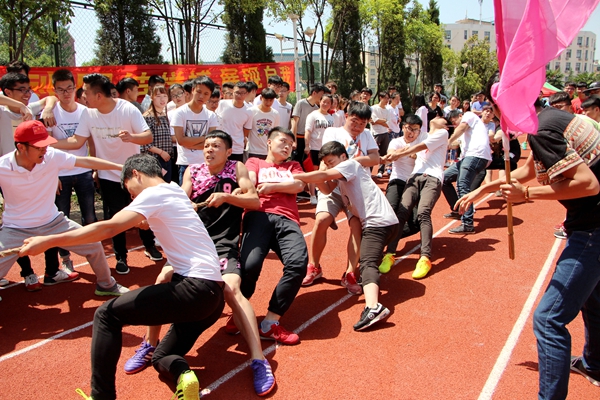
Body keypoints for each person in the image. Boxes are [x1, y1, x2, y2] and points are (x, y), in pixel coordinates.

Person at [21, 154, 224, 400]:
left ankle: (101, 396)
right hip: (213, 297)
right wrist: (145, 221)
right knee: (160, 357)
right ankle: (184, 375)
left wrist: (48, 241)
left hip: (194, 288)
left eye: (129, 189)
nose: (131, 197)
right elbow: (166, 219)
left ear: (136, 174)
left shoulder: (153, 194)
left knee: (106, 315)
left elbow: (107, 228)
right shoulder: (174, 190)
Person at [456, 71, 600, 400]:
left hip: (593, 227)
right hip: (592, 223)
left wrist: (526, 195)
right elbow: (530, 171)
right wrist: (484, 189)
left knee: (548, 319)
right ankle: (594, 364)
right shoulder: (551, 117)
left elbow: (588, 184)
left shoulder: (543, 129)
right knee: (593, 299)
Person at [125, 132, 275, 396]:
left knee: (231, 289)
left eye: (216, 146)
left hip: (223, 245)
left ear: (229, 151)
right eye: (206, 146)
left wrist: (227, 198)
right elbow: (180, 199)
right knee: (163, 278)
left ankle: (258, 360)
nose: (209, 150)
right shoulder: (192, 171)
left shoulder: (236, 168)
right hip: (193, 244)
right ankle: (150, 344)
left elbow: (254, 201)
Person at [0, 120, 128, 296]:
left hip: (54, 222)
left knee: (94, 244)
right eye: (39, 147)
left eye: (46, 145)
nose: (44, 150)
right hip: (15, 228)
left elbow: (86, 162)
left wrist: (121, 167)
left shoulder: (51, 156)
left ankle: (107, 285)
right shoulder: (3, 167)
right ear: (21, 147)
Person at [294, 140, 399, 331]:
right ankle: (371, 302)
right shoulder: (343, 178)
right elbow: (326, 188)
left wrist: (294, 174)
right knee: (368, 260)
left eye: (331, 160)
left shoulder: (350, 165)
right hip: (382, 223)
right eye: (325, 161)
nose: (329, 165)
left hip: (378, 222)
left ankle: (373, 307)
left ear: (343, 156)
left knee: (367, 263)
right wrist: (319, 173)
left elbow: (325, 174)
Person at [72, 73, 161, 274]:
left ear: (98, 96)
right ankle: (121, 256)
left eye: (86, 91)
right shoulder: (88, 114)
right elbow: (77, 141)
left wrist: (132, 137)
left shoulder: (127, 109)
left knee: (143, 211)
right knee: (116, 217)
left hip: (134, 175)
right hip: (108, 175)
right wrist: (46, 145)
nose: (83, 95)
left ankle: (149, 245)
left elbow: (147, 137)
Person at [301, 101, 379, 294]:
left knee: (356, 227)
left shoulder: (368, 135)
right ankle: (314, 266)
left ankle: (350, 272)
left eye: (362, 123)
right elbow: (325, 162)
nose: (357, 127)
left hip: (357, 189)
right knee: (321, 220)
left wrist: (351, 164)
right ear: (346, 116)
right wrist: (322, 175)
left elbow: (376, 159)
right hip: (334, 186)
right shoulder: (333, 133)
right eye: (354, 121)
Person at [240, 127, 308, 345]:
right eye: (283, 141)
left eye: (291, 143)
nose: (288, 145)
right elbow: (249, 180)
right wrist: (251, 187)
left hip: (287, 219)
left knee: (298, 265)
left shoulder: (294, 166)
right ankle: (239, 313)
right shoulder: (255, 163)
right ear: (268, 142)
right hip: (258, 215)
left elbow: (299, 184)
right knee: (249, 266)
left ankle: (270, 323)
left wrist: (271, 187)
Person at [380, 116, 449, 279]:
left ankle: (425, 258)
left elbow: (418, 147)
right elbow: (404, 150)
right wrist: (392, 155)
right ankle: (389, 253)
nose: (438, 117)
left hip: (432, 177)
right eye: (409, 128)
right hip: (414, 177)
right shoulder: (422, 135)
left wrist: (401, 153)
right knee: (401, 213)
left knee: (423, 213)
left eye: (443, 119)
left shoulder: (441, 133)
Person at [46, 69, 97, 274]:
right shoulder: (50, 112)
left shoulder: (85, 111)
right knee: (62, 217)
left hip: (84, 171)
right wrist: (53, 173)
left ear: (75, 87)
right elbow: (46, 146)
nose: (66, 93)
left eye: (69, 88)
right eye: (61, 89)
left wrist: (94, 167)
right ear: (54, 91)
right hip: (61, 174)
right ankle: (65, 257)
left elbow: (91, 140)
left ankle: (93, 253)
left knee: (90, 216)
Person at [441, 108, 492, 234]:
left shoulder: (468, 115)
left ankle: (467, 223)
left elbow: (460, 129)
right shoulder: (465, 134)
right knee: (443, 178)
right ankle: (459, 210)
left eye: (455, 121)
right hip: (466, 158)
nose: (455, 125)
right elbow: (454, 145)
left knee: (462, 184)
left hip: (476, 155)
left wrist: (449, 141)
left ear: (460, 116)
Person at [170, 76, 219, 183]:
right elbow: (181, 141)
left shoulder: (211, 116)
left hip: (206, 163)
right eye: (199, 92)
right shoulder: (180, 113)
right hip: (186, 163)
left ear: (210, 95)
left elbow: (210, 143)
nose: (201, 96)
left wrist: (190, 143)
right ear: (192, 90)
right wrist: (204, 139)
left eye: (206, 94)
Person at [305, 93, 334, 203]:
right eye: (324, 101)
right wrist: (307, 145)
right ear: (320, 102)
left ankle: (323, 192)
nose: (325, 104)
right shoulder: (313, 115)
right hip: (314, 147)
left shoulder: (331, 118)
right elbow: (308, 131)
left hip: (327, 148)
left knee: (326, 171)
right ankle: (312, 195)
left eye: (328, 103)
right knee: (314, 171)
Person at [142, 85, 175, 183]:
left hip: (166, 158)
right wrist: (161, 152)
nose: (162, 99)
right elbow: (144, 143)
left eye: (164, 96)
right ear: (152, 97)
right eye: (158, 96)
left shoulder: (165, 115)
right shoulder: (147, 117)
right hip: (153, 159)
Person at [215, 81, 253, 162]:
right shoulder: (222, 104)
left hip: (237, 148)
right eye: (237, 93)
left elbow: (246, 131)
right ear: (233, 92)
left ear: (247, 94)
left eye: (243, 93)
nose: (240, 95)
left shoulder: (249, 110)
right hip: (220, 145)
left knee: (235, 172)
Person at [291, 83, 326, 167]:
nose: (322, 97)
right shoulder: (301, 103)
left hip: (309, 140)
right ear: (314, 93)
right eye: (321, 94)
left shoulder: (316, 109)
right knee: (296, 161)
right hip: (299, 137)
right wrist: (294, 140)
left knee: (306, 163)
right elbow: (295, 122)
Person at [247, 88, 280, 160]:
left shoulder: (275, 114)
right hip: (253, 150)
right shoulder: (252, 111)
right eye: (266, 100)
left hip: (268, 152)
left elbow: (275, 134)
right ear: (261, 98)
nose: (268, 103)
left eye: (271, 100)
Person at [371, 91, 391, 178]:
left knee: (383, 153)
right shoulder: (373, 108)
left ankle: (381, 171)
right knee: (372, 152)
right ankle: (369, 170)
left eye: (388, 98)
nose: (387, 100)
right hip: (376, 133)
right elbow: (374, 121)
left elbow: (388, 122)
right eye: (385, 98)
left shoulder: (387, 110)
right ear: (381, 98)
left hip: (385, 133)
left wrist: (381, 121)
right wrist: (383, 121)